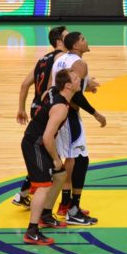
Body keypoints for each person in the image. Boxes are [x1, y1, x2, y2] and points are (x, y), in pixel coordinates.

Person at [49, 31, 108, 222]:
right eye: (83, 39)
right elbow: (75, 95)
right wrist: (95, 113)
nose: (86, 41)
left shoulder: (60, 59)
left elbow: (58, 85)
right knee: (80, 159)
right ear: (75, 46)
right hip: (68, 114)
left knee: (72, 159)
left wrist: (85, 85)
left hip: (57, 108)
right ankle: (72, 209)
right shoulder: (80, 64)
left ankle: (65, 204)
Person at [18, 67, 81, 245]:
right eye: (76, 78)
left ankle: (45, 215)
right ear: (68, 85)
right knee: (43, 187)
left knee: (60, 175)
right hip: (35, 144)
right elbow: (47, 137)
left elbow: (44, 95)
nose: (79, 80)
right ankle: (32, 231)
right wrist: (55, 158)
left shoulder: (53, 90)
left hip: (38, 141)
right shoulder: (61, 108)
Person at [13, 25, 70, 206]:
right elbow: (51, 89)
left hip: (34, 107)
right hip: (48, 109)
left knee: (41, 154)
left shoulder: (42, 59)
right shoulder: (62, 58)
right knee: (46, 155)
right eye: (67, 37)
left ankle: (23, 194)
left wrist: (21, 109)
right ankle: (31, 198)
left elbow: (24, 85)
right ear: (59, 41)